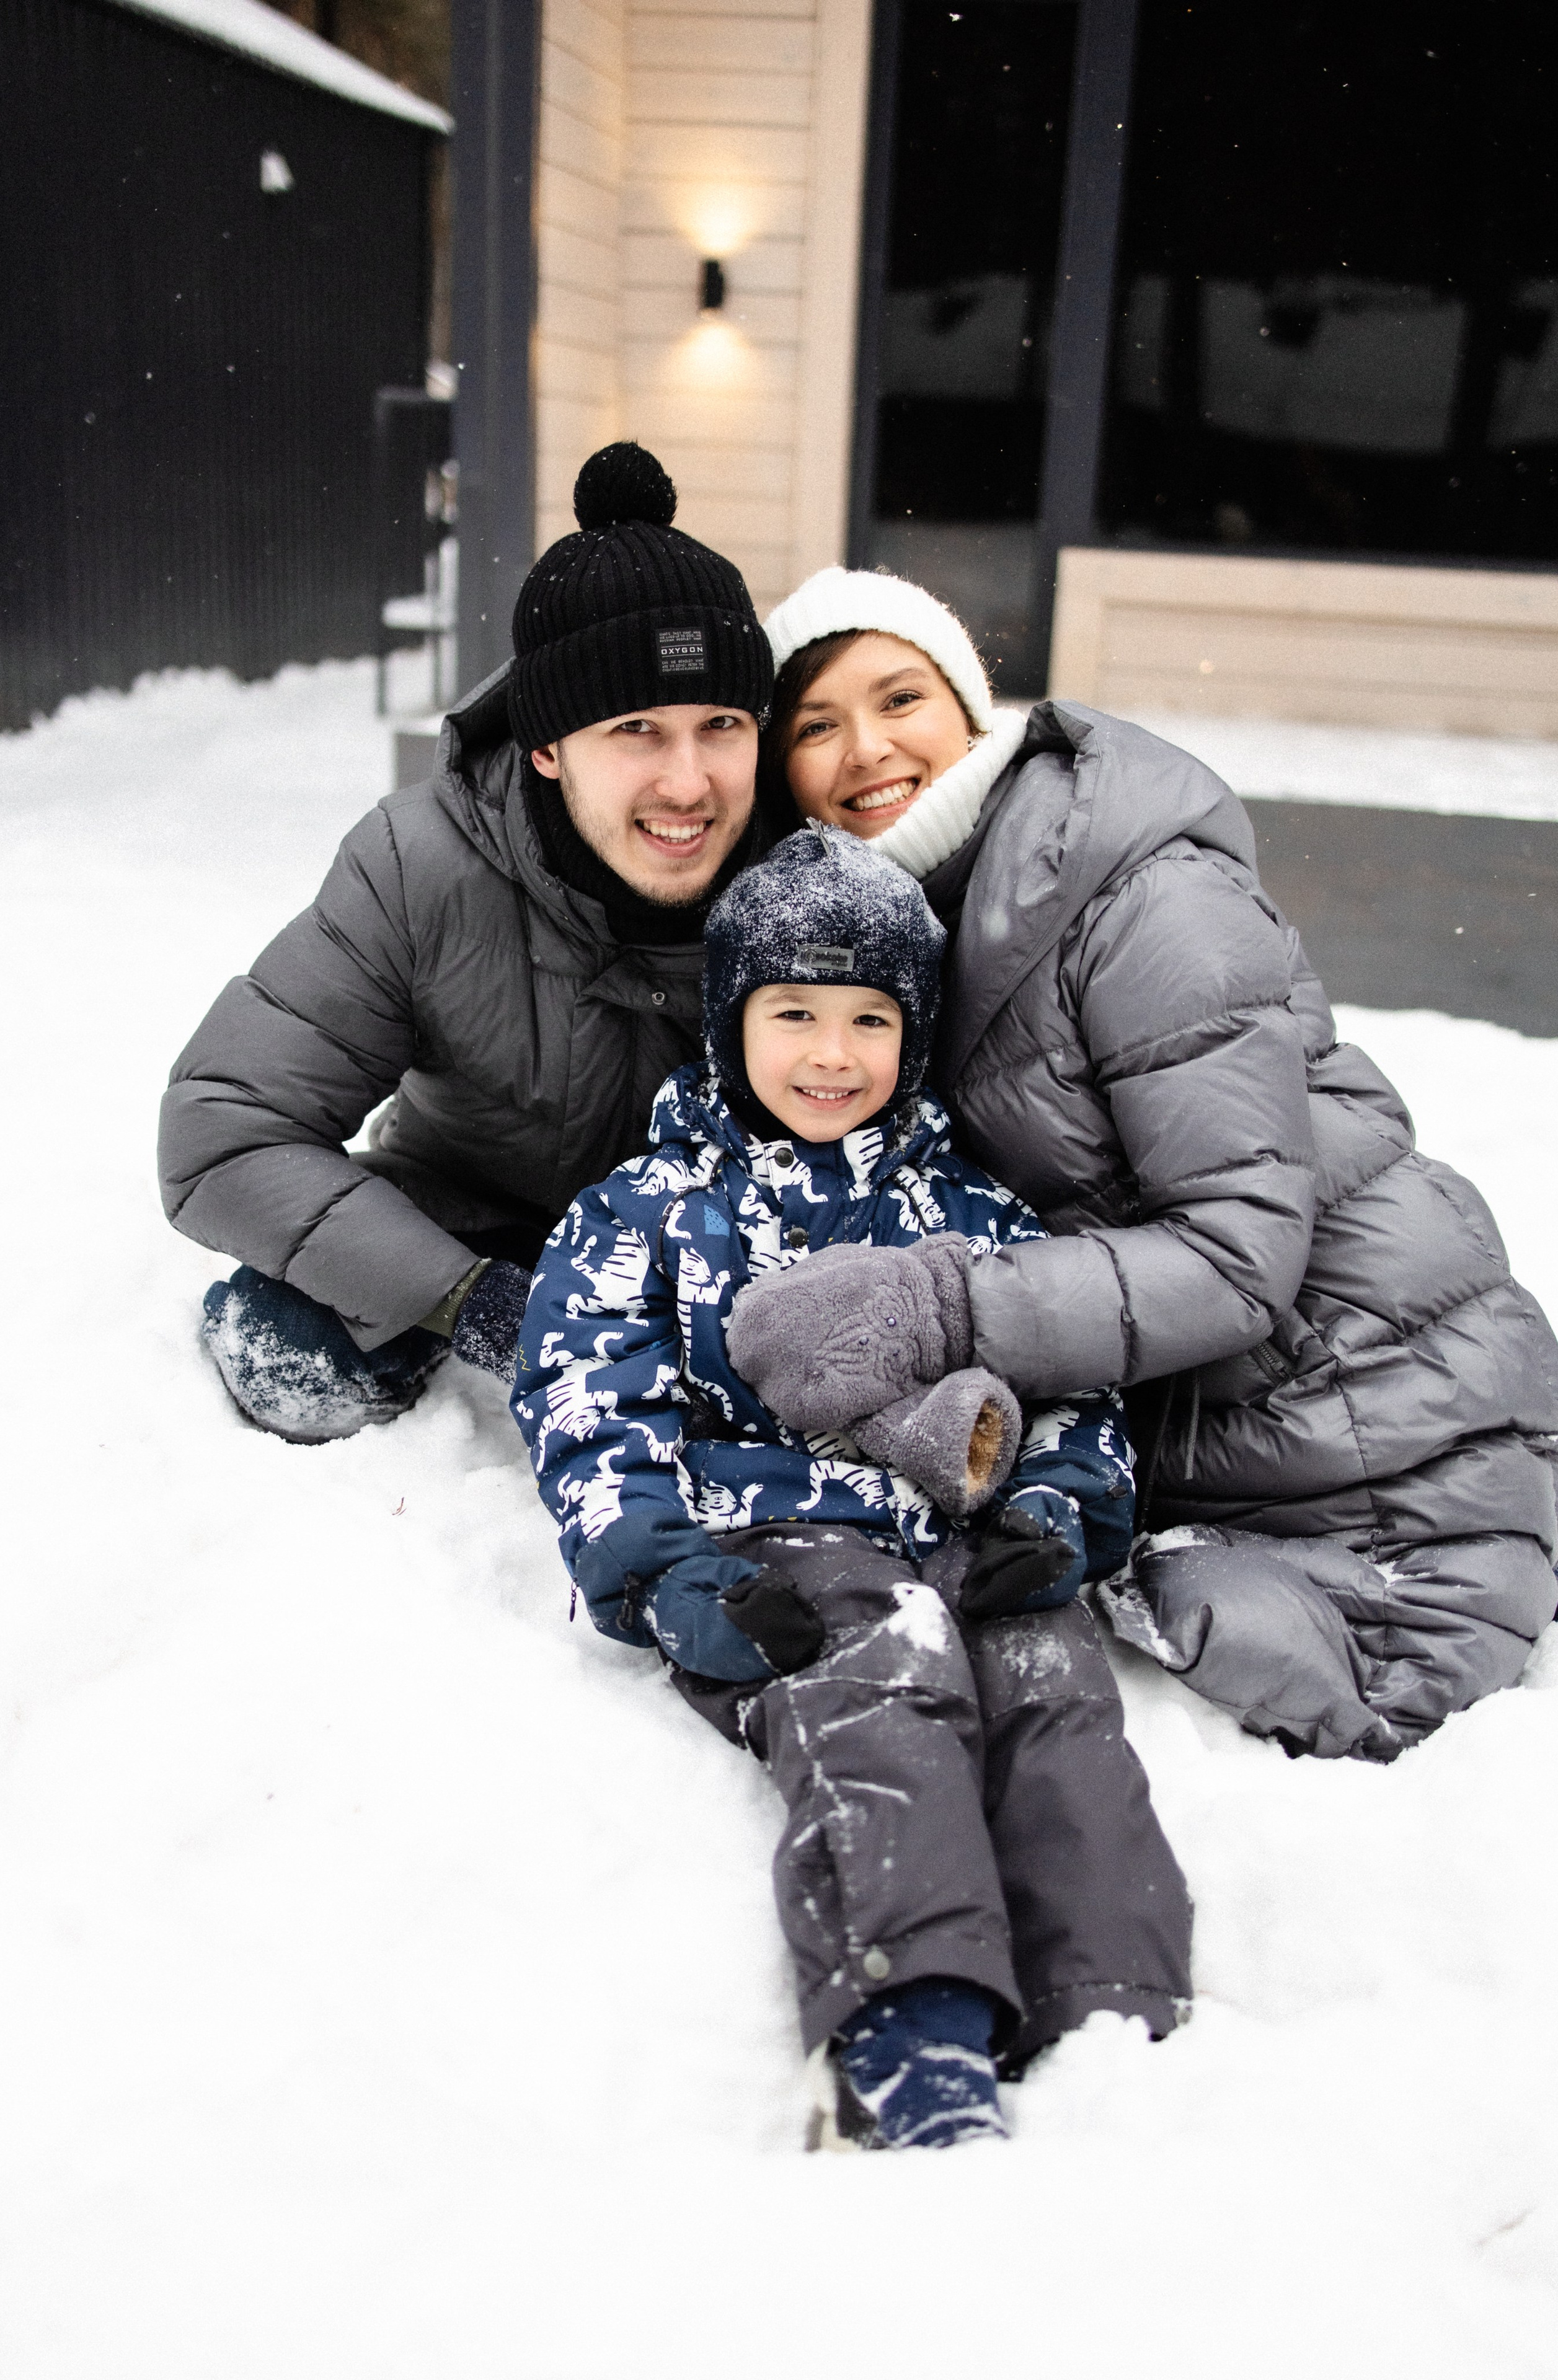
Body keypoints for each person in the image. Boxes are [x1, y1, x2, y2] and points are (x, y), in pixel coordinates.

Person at [730, 566, 1558, 1763]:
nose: (866, 748)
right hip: (1214, 1398)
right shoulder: (892, 927)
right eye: (816, 726)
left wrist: (943, 1309)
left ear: (970, 708)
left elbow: (1239, 1252)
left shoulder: (1136, 891)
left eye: (899, 698)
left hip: (1366, 1385)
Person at [510, 824, 1192, 2152]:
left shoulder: (974, 1218)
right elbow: (591, 1411)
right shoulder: (646, 1213)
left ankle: (1111, 2010)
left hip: (970, 1525)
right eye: (795, 1014)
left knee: (1051, 1695)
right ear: (730, 1022)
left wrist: (1056, 1507)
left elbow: (1071, 1387)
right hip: (784, 1546)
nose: (833, 1053)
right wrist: (664, 1574)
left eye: (870, 1019)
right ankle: (914, 2014)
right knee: (885, 1687)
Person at [157, 444, 777, 1441]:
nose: (688, 783)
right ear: (546, 745)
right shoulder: (418, 865)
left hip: (714, 1257)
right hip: (473, 1220)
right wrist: (479, 1304)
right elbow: (221, 1129)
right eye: (635, 729)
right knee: (288, 1347)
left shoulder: (810, 881)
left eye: (721, 725)